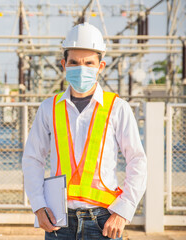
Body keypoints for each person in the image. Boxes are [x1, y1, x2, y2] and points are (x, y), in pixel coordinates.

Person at [22, 22, 147, 240]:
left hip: (104, 220)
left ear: (101, 66)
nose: (82, 68)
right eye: (74, 62)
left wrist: (123, 211)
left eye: (89, 63)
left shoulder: (117, 108)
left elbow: (137, 160)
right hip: (58, 219)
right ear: (64, 64)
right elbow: (32, 158)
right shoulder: (48, 108)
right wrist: (38, 206)